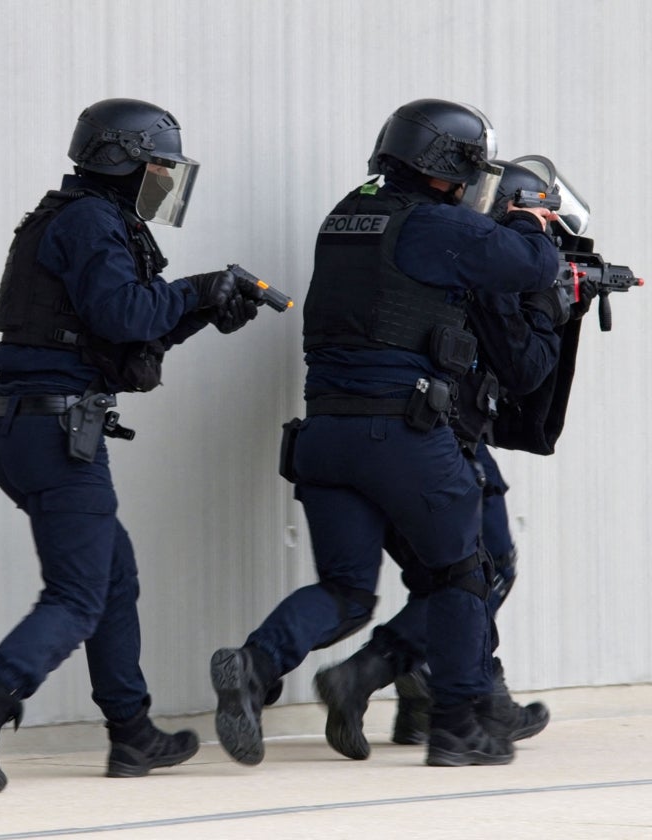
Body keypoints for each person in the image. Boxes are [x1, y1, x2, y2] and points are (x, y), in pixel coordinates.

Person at [210, 99, 559, 769]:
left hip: (324, 435)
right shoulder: (432, 223)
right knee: (463, 575)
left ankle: (253, 665)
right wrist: (528, 221)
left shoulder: (349, 213)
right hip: (402, 436)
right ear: (446, 167)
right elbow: (531, 267)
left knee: (345, 590)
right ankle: (456, 727)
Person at [0, 98, 261, 793]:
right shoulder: (90, 221)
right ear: (124, 159)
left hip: (35, 425)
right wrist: (198, 288)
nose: (165, 180)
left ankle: (132, 733)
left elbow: (123, 341)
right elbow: (125, 313)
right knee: (80, 593)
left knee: (113, 577)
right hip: (54, 432)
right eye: (158, 166)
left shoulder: (82, 217)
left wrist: (206, 311)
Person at [318, 156, 594, 756]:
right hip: (434, 436)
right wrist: (553, 305)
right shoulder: (477, 260)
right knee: (477, 569)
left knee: (454, 573)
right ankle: (392, 683)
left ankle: (437, 696)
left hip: (400, 431)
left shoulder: (441, 240)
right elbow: (523, 369)